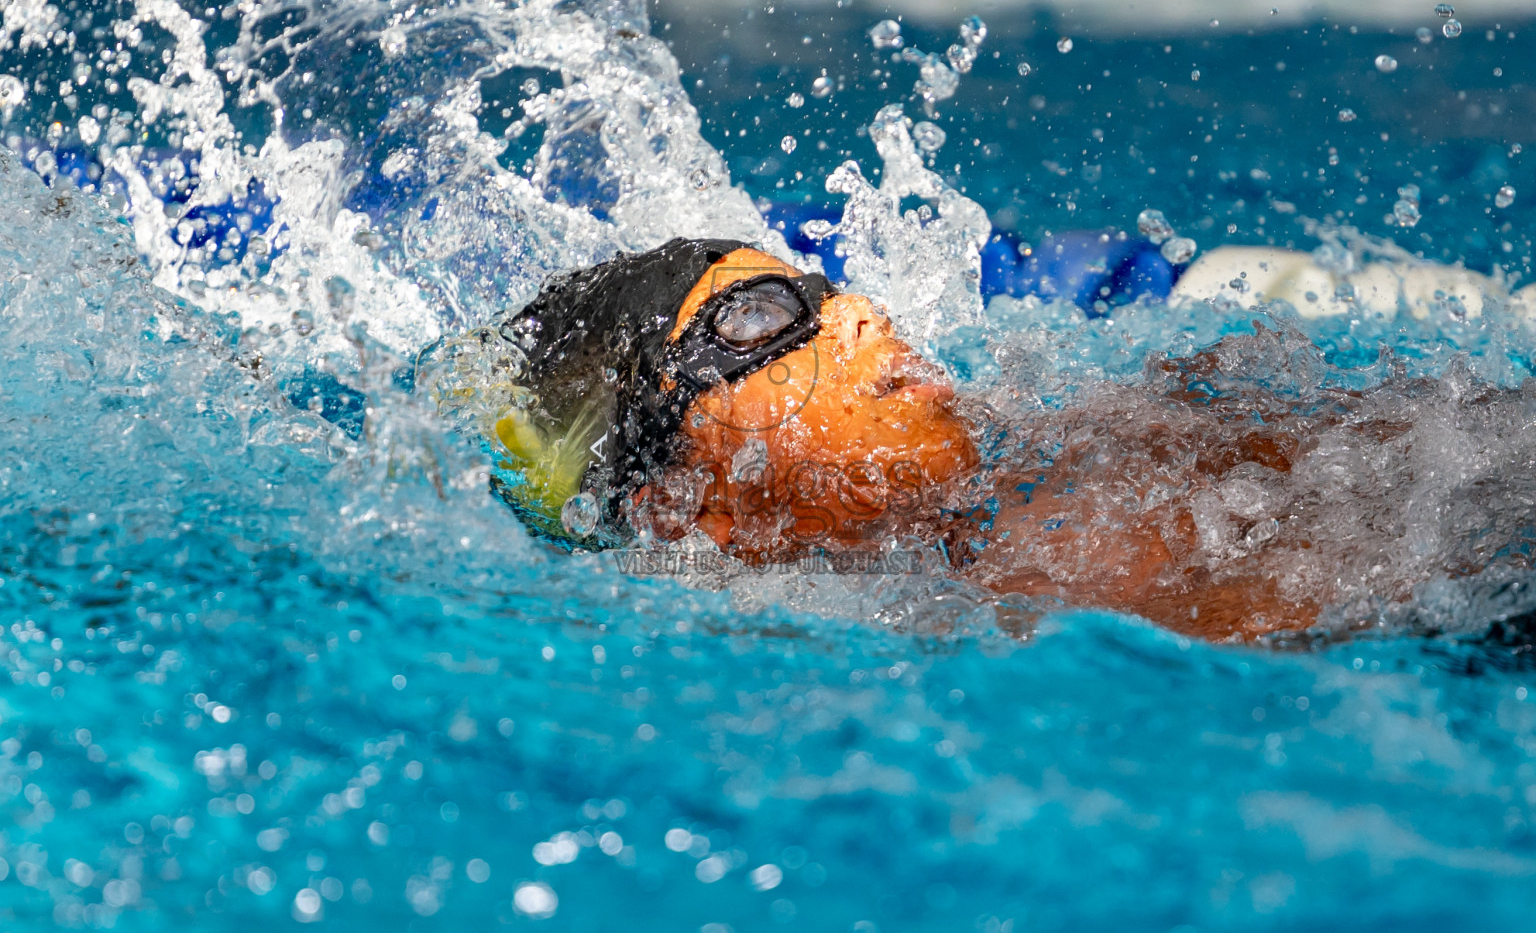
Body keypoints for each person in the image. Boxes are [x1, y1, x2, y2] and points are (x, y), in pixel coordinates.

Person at [434, 237, 1535, 642]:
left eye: (818, 283)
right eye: (761, 317)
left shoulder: (1077, 428)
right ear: (680, 507)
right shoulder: (983, 615)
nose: (857, 314)